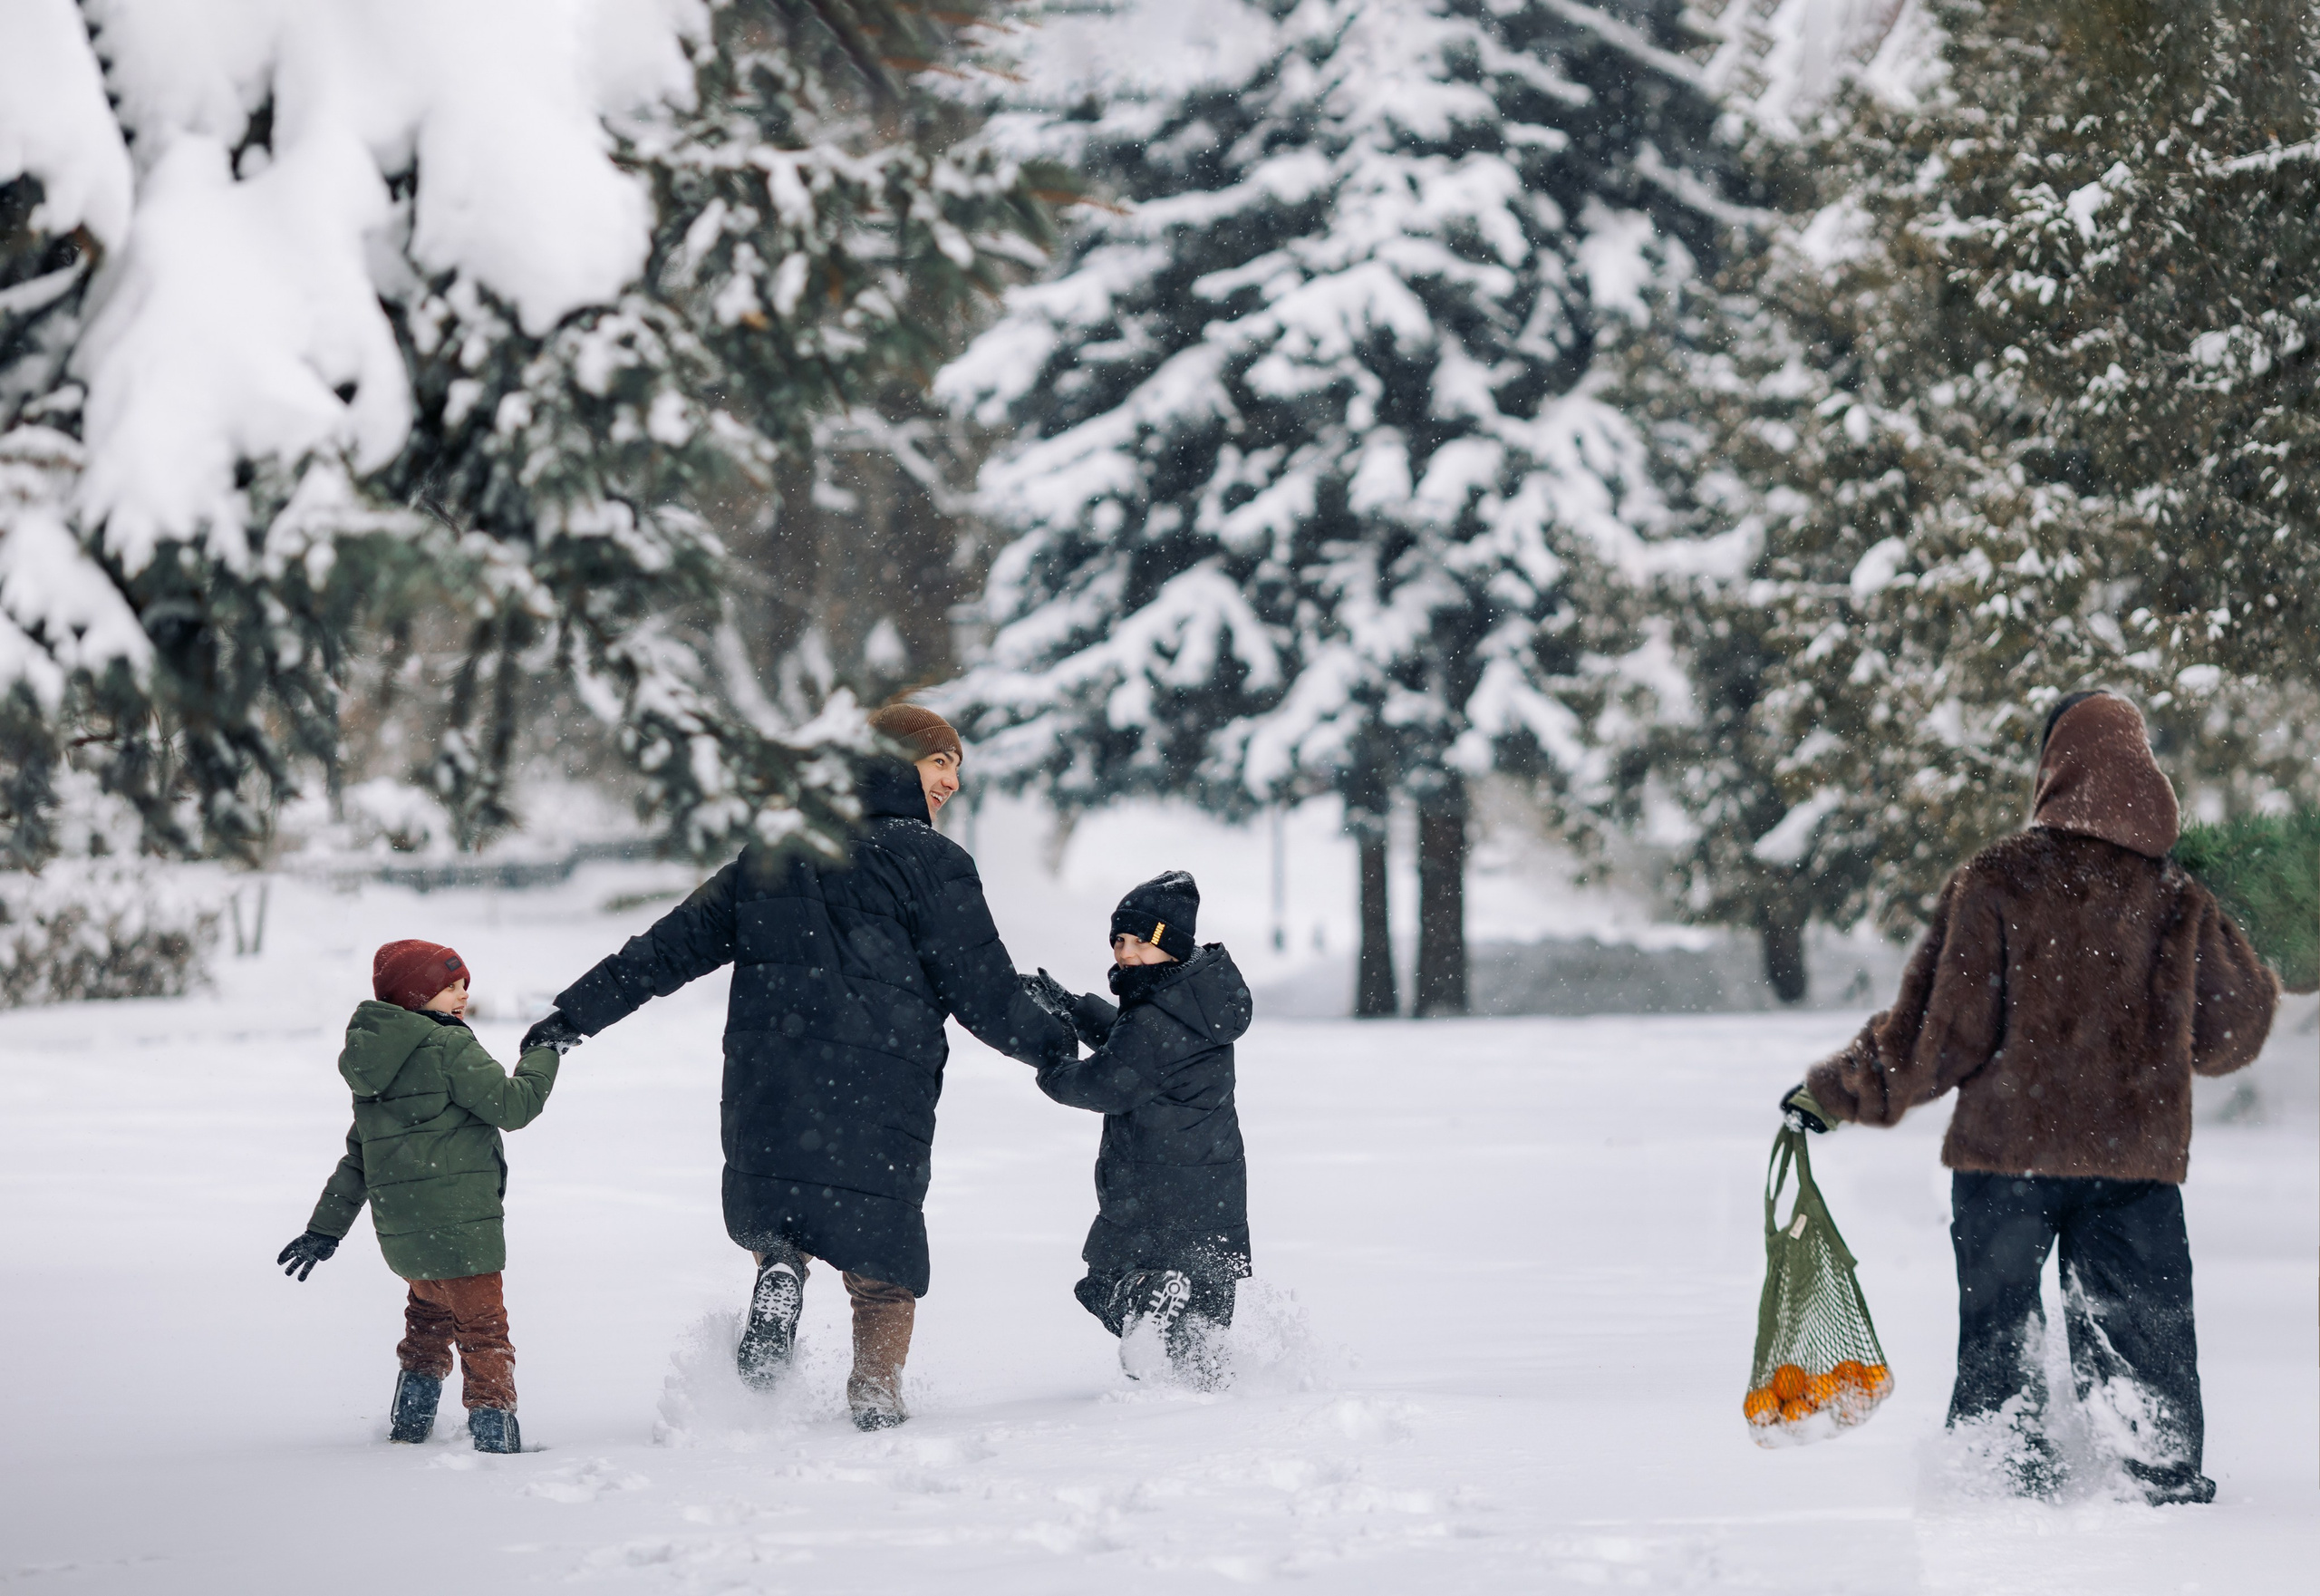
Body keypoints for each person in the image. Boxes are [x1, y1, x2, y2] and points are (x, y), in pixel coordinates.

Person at [1780, 691, 2277, 1504]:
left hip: (2006, 1160)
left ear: (2056, 768)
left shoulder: (1998, 878)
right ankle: (2154, 1478)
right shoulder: (2176, 895)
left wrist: (1837, 1089)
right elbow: (2234, 1032)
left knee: (2000, 1336)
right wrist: (2210, 942)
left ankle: (2002, 1477)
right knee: (2142, 1335)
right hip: (2132, 1162)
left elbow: (1938, 1035)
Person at [521, 702, 1072, 1430]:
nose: (952, 782)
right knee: (882, 1266)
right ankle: (875, 1394)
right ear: (896, 758)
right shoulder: (933, 862)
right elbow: (986, 993)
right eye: (941, 761)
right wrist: (1060, 1052)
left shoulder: (777, 850)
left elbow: (669, 946)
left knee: (781, 1216)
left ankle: (780, 1267)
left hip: (771, 1082)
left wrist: (573, 1016)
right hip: (882, 1091)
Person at [276, 940, 570, 1454]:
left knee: (428, 1323)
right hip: (461, 1227)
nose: (462, 996)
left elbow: (360, 1159)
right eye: (450, 986)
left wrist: (324, 1231)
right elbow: (515, 1106)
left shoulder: (375, 1062)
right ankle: (495, 1439)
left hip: (407, 1234)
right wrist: (545, 1051)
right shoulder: (447, 1046)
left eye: (464, 986)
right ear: (415, 995)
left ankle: (410, 1426)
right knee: (484, 1332)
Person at [1022, 870, 1252, 1385]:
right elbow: (1143, 1046)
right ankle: (1217, 1400)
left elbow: (1106, 1082)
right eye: (1118, 940)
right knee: (1199, 1341)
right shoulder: (1199, 1000)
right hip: (1215, 1199)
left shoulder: (1152, 1021)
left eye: (1139, 942)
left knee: (1105, 1285)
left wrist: (1050, 1063)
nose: (1125, 953)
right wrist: (1076, 1009)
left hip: (1154, 1196)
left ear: (1170, 945)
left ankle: (1146, 1295)